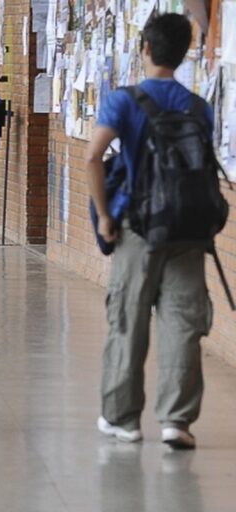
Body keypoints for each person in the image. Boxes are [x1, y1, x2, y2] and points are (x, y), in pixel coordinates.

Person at [85, 13, 213, 450]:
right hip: (189, 231)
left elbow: (92, 158)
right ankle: (177, 420)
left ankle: (123, 418)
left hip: (138, 229)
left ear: (144, 49)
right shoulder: (200, 107)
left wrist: (104, 215)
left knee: (128, 320)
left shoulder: (124, 101)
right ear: (183, 53)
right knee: (182, 324)